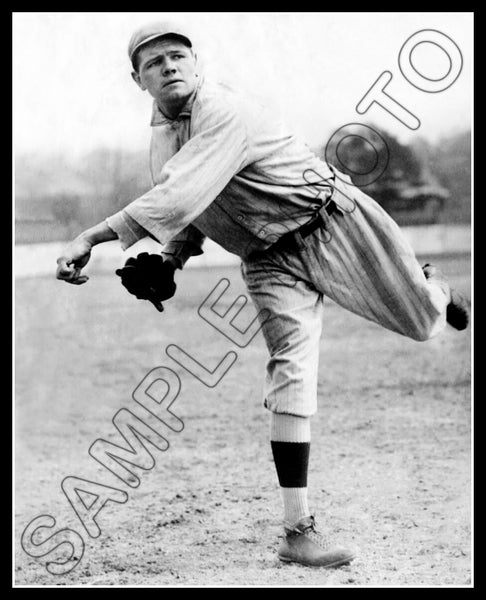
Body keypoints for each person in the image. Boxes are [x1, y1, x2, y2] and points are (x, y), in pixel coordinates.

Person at [56, 20, 469, 568]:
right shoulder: (162, 138)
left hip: (330, 223)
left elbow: (181, 193)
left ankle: (433, 285)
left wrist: (90, 237)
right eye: (154, 63)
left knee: (422, 323)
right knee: (291, 373)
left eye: (179, 55)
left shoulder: (224, 110)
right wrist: (173, 257)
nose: (170, 66)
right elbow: (200, 199)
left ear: (198, 65)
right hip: (267, 259)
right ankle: (298, 530)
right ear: (138, 80)